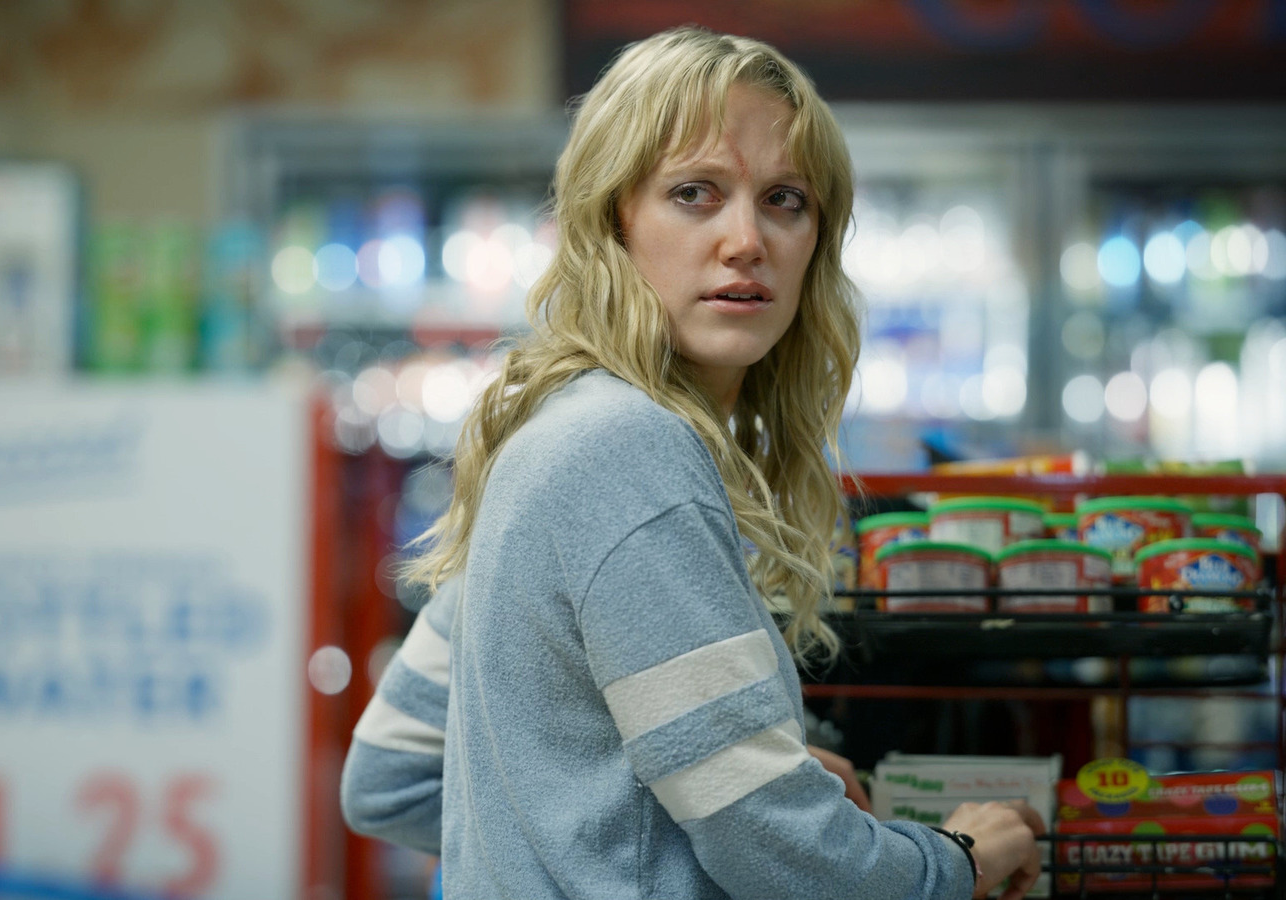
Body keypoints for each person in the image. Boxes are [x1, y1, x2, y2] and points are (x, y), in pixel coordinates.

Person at [342, 25, 1044, 900]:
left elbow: (391, 773)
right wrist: (956, 859)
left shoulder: (559, 431)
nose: (747, 239)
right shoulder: (629, 453)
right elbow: (774, 848)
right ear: (611, 221)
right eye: (694, 193)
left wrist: (712, 788)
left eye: (785, 200)